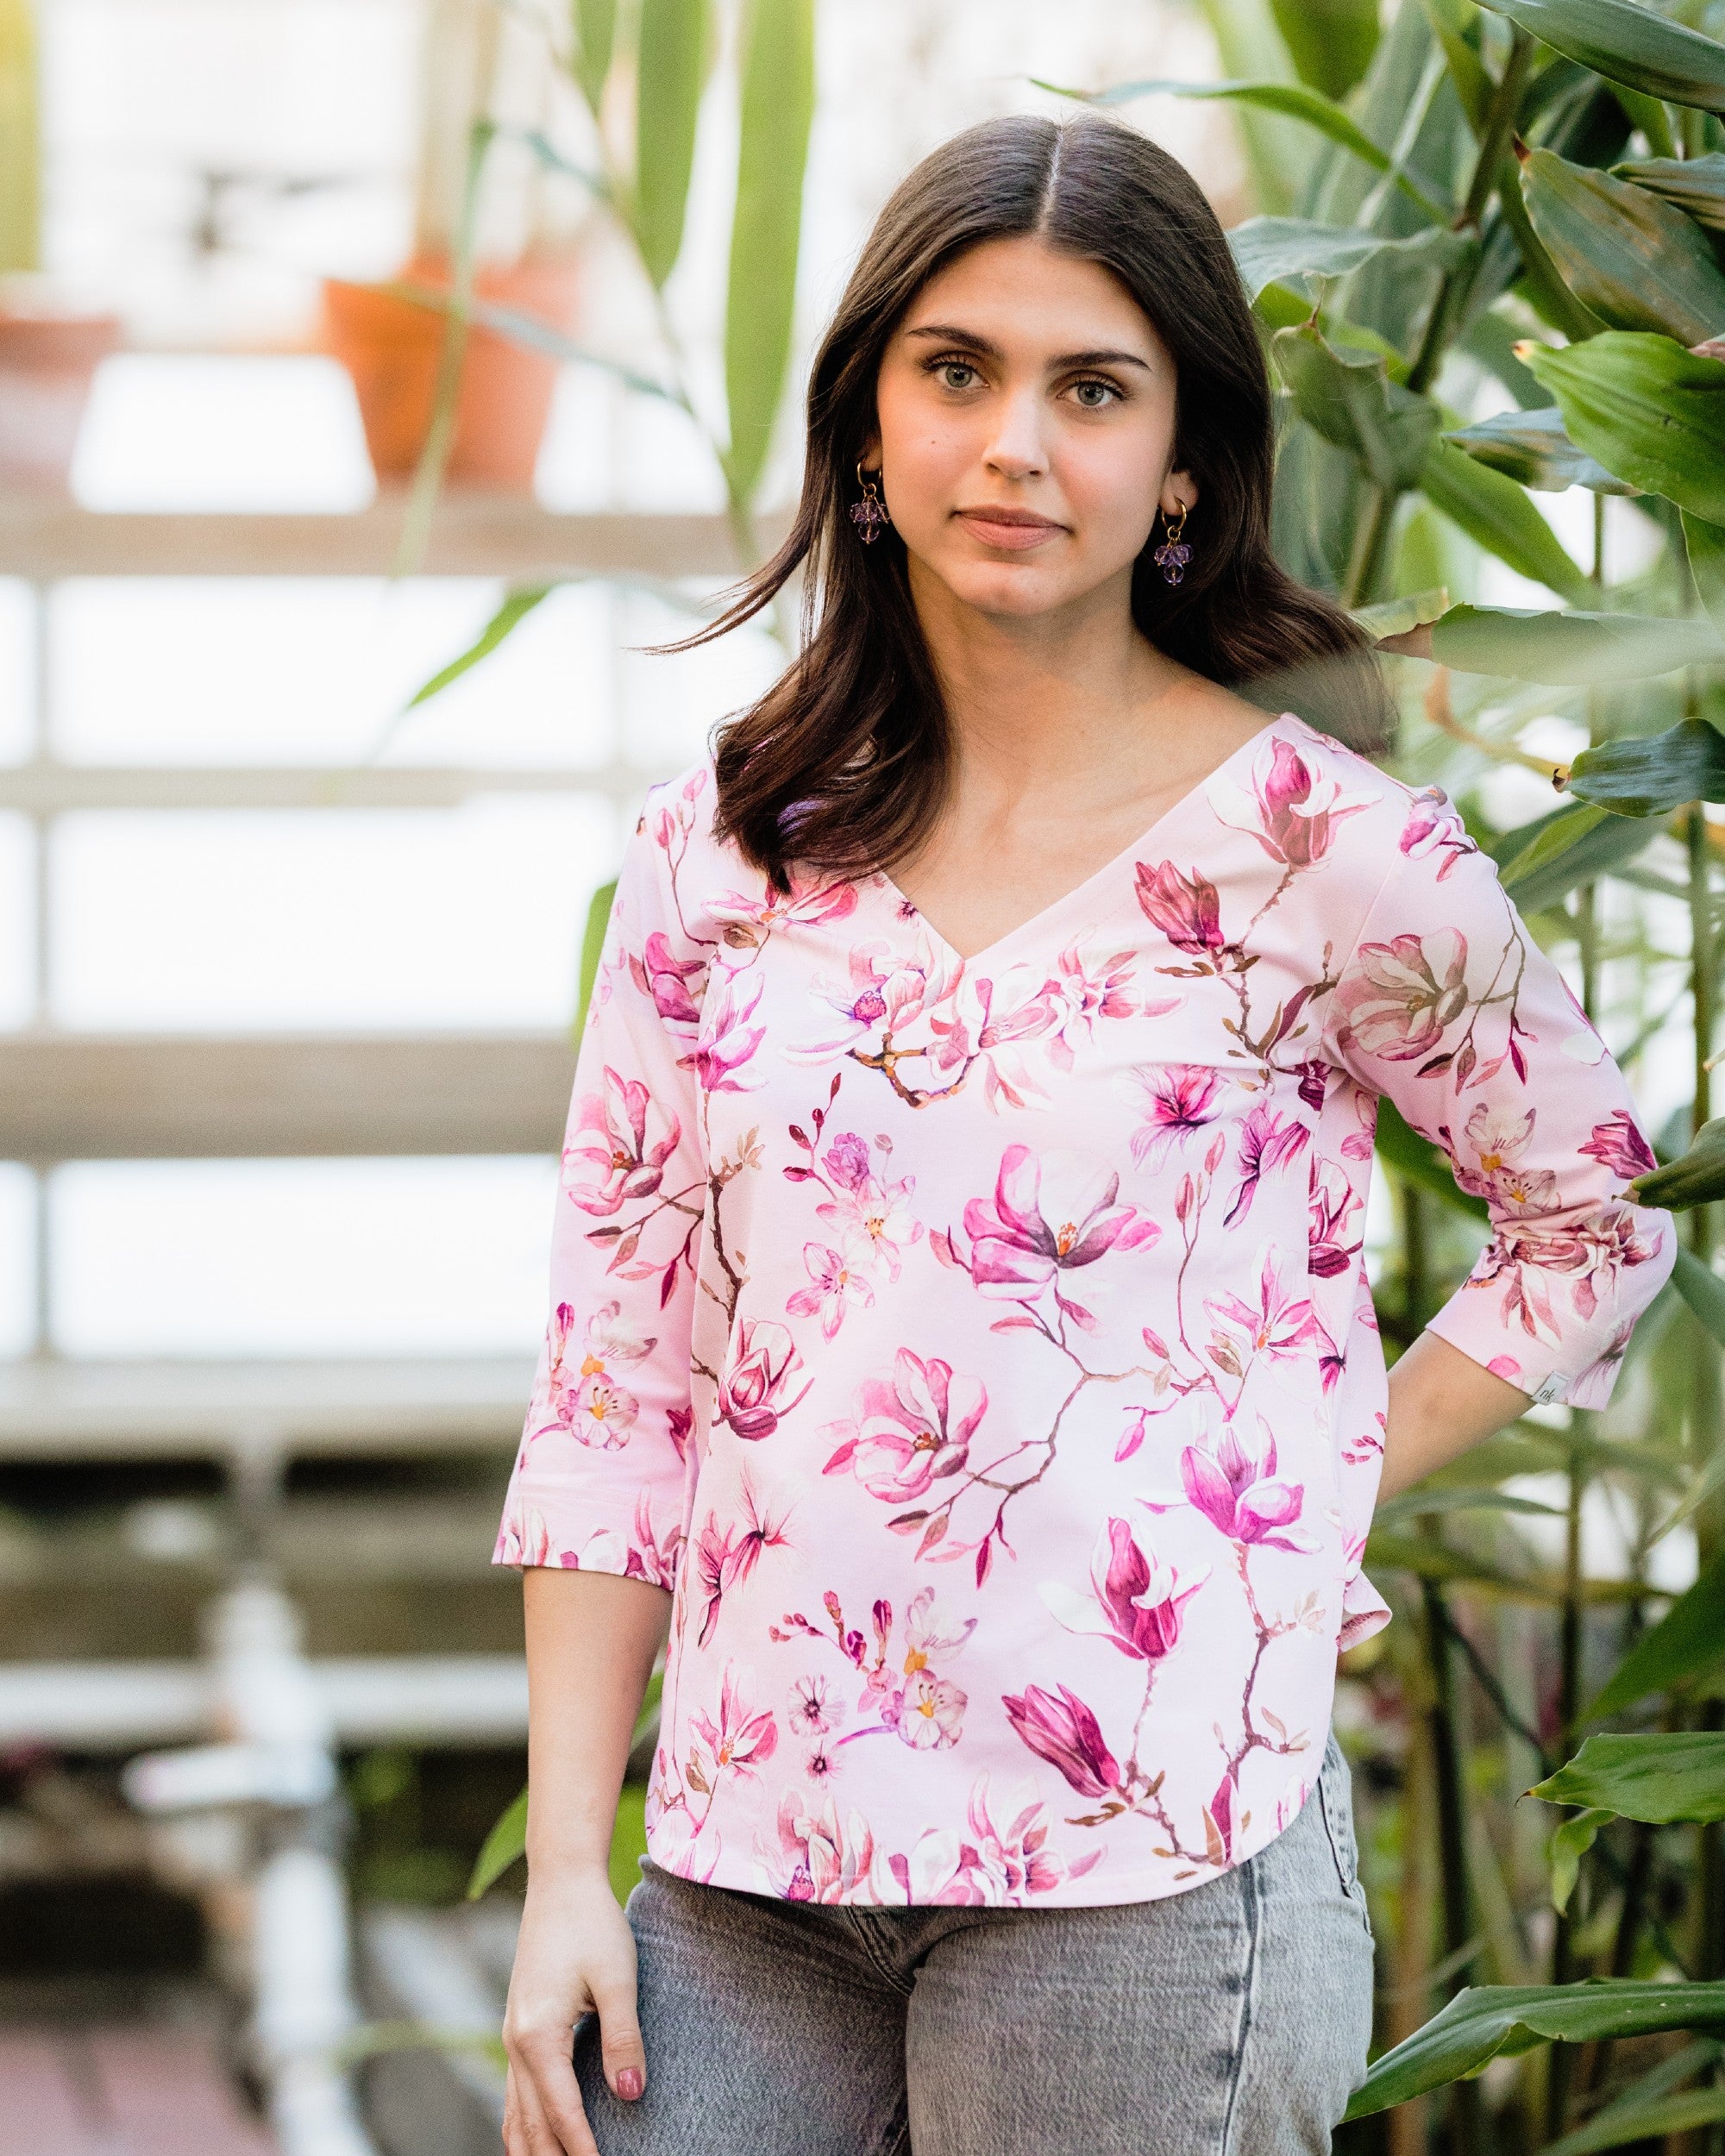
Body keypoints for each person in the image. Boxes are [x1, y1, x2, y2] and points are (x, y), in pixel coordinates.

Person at [492, 112, 1677, 2156]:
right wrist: (569, 1865)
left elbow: (1588, 1211)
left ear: (1184, 464)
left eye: (1090, 387)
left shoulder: (1330, 847)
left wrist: (1292, 1484)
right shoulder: (722, 846)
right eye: (955, 370)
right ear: (866, 426)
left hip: (1145, 1861)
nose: (1013, 443)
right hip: (739, 1860)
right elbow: (617, 1377)